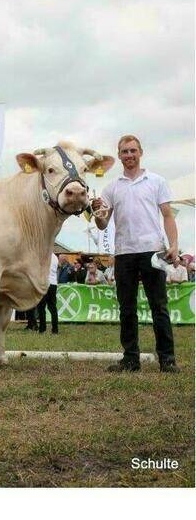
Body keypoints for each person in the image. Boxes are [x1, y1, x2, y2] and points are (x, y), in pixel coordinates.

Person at [92, 134, 179, 373]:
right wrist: (97, 213)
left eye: (133, 150)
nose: (129, 155)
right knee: (127, 308)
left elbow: (168, 215)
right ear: (119, 155)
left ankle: (167, 359)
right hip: (124, 253)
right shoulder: (111, 188)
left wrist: (173, 244)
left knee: (159, 306)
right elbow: (102, 224)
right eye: (125, 151)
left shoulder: (157, 181)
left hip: (153, 250)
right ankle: (131, 359)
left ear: (141, 153)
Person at [36, 253, 59, 334]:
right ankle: (55, 329)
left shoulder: (42, 255)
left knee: (41, 307)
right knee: (53, 307)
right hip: (53, 283)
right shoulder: (55, 257)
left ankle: (42, 329)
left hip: (44, 282)